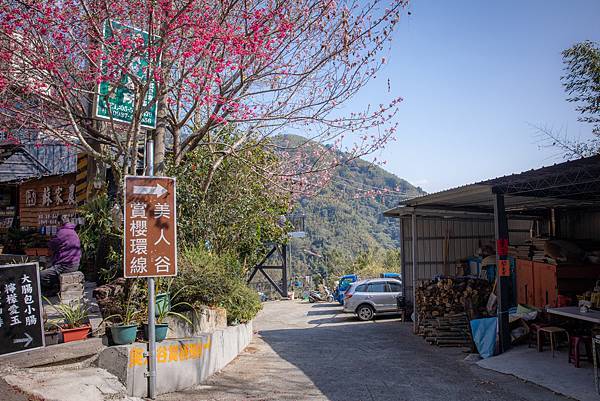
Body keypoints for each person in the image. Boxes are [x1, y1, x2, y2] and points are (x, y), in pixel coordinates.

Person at [40, 215, 82, 295]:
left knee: (41, 275)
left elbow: (52, 244)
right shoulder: (72, 231)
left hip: (65, 266)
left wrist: (48, 242)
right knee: (50, 268)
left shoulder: (62, 232)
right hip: (74, 263)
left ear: (59, 222)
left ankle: (51, 291)